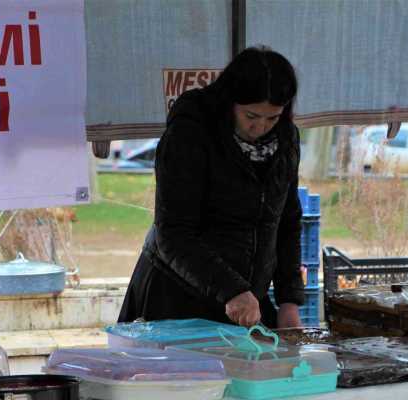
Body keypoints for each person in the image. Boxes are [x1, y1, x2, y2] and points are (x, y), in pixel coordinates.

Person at [118, 46, 304, 328]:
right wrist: (231, 290)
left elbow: (287, 221)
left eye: (272, 118)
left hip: (246, 299)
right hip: (177, 296)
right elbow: (174, 233)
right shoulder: (190, 134)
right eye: (251, 117)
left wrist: (289, 301)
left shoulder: (286, 140)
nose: (261, 127)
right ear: (230, 101)